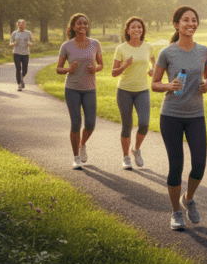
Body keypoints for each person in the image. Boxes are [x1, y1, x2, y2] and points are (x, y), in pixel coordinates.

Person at [152, 6, 207, 231]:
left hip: (196, 115)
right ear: (176, 24)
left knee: (199, 165)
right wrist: (169, 85)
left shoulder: (204, 51)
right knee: (176, 166)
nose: (191, 23)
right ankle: (176, 211)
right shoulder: (167, 53)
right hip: (172, 115)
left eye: (194, 20)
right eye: (185, 20)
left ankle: (188, 198)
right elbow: (155, 84)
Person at [55, 13, 103, 170]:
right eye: (80, 23)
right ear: (73, 27)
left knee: (90, 123)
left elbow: (101, 64)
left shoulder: (95, 44)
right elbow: (58, 69)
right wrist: (68, 69)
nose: (83, 26)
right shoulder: (66, 46)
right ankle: (75, 156)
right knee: (76, 122)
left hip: (90, 89)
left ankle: (83, 144)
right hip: (72, 88)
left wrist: (95, 68)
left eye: (85, 23)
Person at [111, 17, 155, 171]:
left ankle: (136, 149)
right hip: (124, 90)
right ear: (128, 30)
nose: (137, 29)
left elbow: (153, 64)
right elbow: (114, 73)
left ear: (142, 30)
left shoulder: (148, 47)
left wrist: (152, 70)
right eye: (133, 27)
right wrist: (124, 65)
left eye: (140, 27)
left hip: (142, 90)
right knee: (127, 126)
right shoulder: (121, 48)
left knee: (144, 124)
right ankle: (125, 157)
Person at [9, 19, 33, 90]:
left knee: (25, 70)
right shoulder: (14, 33)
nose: (21, 25)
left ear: (25, 25)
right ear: (18, 25)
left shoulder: (28, 33)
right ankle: (19, 84)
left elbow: (31, 42)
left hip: (25, 53)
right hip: (16, 53)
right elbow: (10, 43)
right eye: (20, 24)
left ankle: (21, 78)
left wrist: (29, 43)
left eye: (23, 24)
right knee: (18, 69)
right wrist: (13, 43)